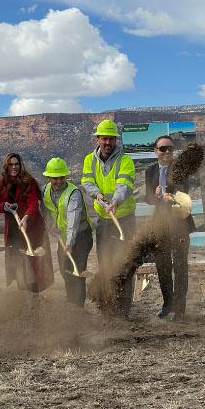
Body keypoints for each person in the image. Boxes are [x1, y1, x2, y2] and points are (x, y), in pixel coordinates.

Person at [81, 119, 137, 316]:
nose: (107, 142)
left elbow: (125, 185)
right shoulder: (89, 159)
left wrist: (115, 201)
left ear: (116, 140)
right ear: (97, 139)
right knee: (105, 262)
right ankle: (107, 307)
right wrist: (97, 194)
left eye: (111, 139)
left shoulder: (126, 160)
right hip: (104, 220)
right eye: (104, 138)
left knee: (124, 265)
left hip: (125, 219)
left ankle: (123, 310)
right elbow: (87, 181)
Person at [145, 136, 198, 320]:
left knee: (180, 265)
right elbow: (148, 199)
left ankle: (180, 310)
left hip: (180, 223)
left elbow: (185, 194)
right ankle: (167, 304)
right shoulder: (150, 171)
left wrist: (172, 197)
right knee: (163, 266)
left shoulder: (181, 169)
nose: (167, 152)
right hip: (160, 225)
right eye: (162, 149)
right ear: (156, 151)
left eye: (170, 148)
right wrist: (155, 195)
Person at [0, 153, 54, 292]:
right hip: (14, 230)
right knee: (18, 263)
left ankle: (35, 297)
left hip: (31, 228)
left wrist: (26, 217)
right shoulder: (2, 182)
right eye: (11, 164)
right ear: (6, 166)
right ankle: (23, 295)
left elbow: (33, 203)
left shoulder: (29, 181)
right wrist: (5, 206)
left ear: (21, 166)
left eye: (16, 164)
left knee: (32, 265)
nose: (14, 167)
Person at [41, 157, 93, 306]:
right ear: (49, 177)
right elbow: (44, 209)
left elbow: (73, 222)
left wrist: (69, 243)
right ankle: (71, 301)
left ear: (65, 176)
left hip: (81, 235)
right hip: (63, 235)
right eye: (54, 178)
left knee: (78, 270)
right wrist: (51, 224)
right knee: (65, 269)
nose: (58, 181)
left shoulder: (73, 193)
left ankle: (78, 307)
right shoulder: (45, 190)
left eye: (61, 177)